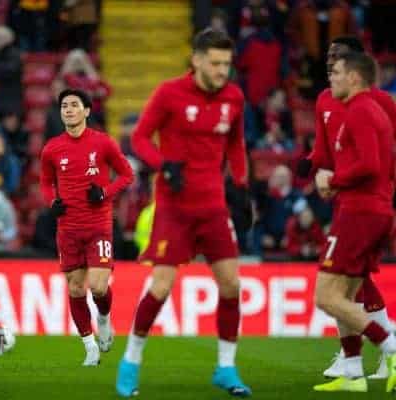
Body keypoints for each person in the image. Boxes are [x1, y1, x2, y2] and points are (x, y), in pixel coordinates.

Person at [116, 28, 253, 398]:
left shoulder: (234, 98)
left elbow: (236, 146)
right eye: (216, 63)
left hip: (213, 207)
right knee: (161, 286)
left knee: (231, 284)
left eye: (227, 63)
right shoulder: (169, 93)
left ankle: (226, 368)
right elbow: (140, 138)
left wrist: (241, 186)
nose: (223, 70)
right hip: (175, 208)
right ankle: (130, 361)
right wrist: (164, 165)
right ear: (196, 61)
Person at [296, 36, 396, 381]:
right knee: (352, 288)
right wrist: (311, 166)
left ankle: (391, 345)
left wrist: (337, 178)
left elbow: (372, 161)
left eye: (337, 64)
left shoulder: (372, 105)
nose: (330, 70)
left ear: (354, 70)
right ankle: (353, 367)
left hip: (365, 204)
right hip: (350, 201)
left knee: (331, 293)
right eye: (329, 62)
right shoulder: (328, 101)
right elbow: (326, 150)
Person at [40, 88, 133, 366]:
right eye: (64, 106)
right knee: (76, 289)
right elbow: (46, 182)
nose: (68, 109)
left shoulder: (103, 143)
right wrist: (51, 201)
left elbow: (127, 174)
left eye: (74, 105)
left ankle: (103, 319)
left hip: (97, 225)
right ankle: (89, 346)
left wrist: (104, 193)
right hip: (67, 228)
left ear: (87, 111)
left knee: (98, 287)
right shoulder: (51, 149)